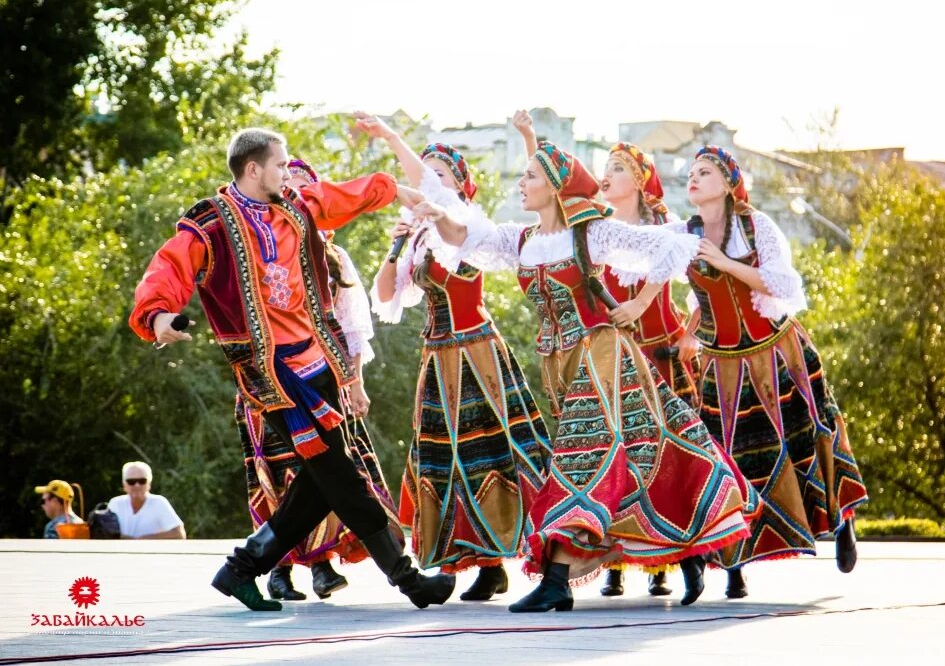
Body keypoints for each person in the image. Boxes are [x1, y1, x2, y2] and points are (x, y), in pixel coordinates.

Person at [409, 138, 758, 612]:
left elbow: (676, 247)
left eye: (530, 176)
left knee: (582, 458)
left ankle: (556, 580)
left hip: (602, 353)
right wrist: (421, 194)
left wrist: (638, 303)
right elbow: (459, 234)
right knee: (635, 452)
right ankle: (687, 552)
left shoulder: (592, 233)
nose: (521, 183)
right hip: (559, 366)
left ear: (555, 187)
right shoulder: (523, 240)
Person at [129, 127, 454, 612]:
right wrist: (157, 314)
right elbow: (169, 266)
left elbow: (346, 195)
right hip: (270, 372)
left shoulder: (297, 207)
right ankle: (410, 583)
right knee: (340, 475)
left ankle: (240, 569)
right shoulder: (211, 221)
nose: (289, 172)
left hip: (317, 360)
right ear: (253, 168)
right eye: (281, 164)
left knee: (323, 483)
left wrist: (401, 192)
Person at [356, 112, 551, 602]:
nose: (429, 181)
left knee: (494, 452)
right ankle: (469, 560)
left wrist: (392, 138)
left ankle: (509, 557)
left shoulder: (467, 222)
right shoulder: (421, 237)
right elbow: (385, 296)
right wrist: (398, 243)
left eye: (439, 174)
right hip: (437, 357)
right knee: (444, 459)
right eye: (426, 173)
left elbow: (434, 198)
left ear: (459, 185)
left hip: (476, 353)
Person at [680, 145, 868, 597]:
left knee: (805, 438)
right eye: (691, 172)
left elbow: (783, 284)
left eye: (704, 172)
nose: (693, 178)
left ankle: (841, 520)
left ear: (727, 183)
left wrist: (726, 263)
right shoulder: (684, 233)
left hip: (776, 353)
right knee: (725, 457)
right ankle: (733, 567)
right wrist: (688, 332)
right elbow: (699, 295)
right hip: (722, 362)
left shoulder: (755, 226)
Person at [240, 157, 405, 602]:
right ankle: (276, 570)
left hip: (322, 375)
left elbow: (353, 326)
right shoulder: (259, 247)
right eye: (286, 184)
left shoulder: (333, 257)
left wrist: (356, 382)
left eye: (303, 188)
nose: (293, 195)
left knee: (327, 472)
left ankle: (319, 564)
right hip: (272, 380)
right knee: (281, 472)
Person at [108, 461, 186, 539]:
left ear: (149, 483)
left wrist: (143, 539)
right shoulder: (115, 503)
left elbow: (179, 534)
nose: (137, 485)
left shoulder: (159, 503)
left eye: (142, 481)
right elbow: (106, 533)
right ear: (124, 484)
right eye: (131, 481)